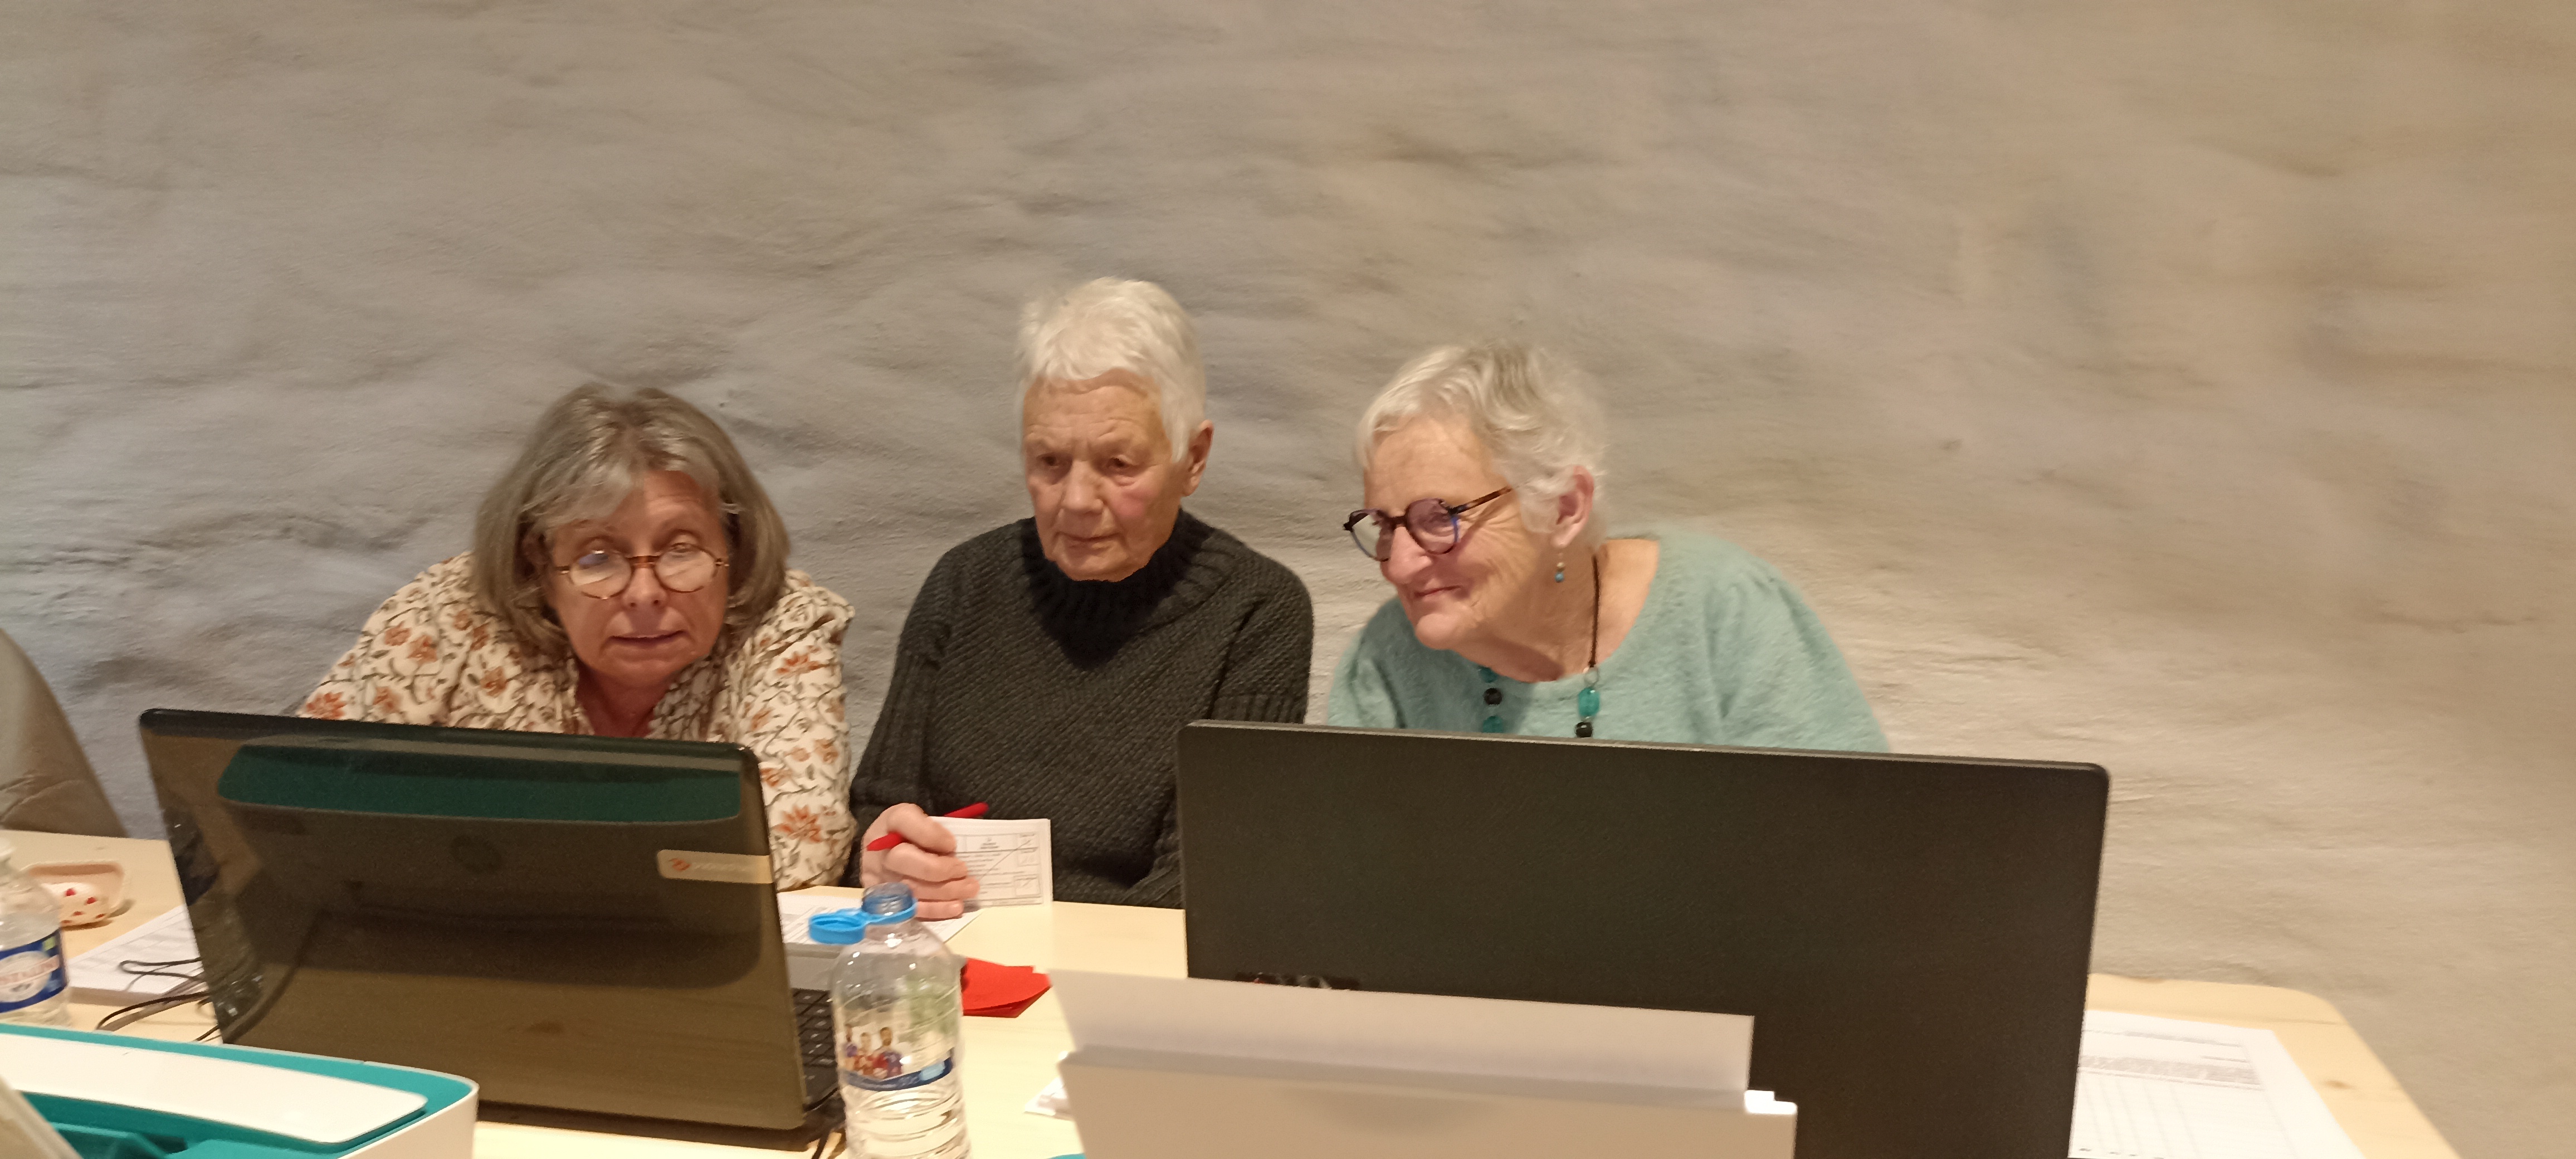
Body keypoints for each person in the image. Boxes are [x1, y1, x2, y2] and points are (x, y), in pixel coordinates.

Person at [851, 279, 1313, 915]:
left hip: (1126, 967)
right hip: (950, 949)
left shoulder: (1256, 611)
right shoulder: (964, 583)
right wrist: (882, 855)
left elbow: (1208, 874)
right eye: (1049, 462)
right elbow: (879, 807)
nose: (1075, 500)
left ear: (1194, 458)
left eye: (1118, 464)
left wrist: (1049, 958)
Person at [299, 385, 856, 888]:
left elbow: (800, 847)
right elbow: (299, 801)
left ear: (732, 548)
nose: (644, 594)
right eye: (598, 557)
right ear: (539, 564)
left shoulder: (783, 622)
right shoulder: (447, 614)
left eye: (681, 549)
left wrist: (480, 855)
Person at [1326, 343, 1886, 751]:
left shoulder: (1722, 612)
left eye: (1439, 517)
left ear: (1564, 507)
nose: (1399, 566)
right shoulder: (1389, 658)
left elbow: (1845, 839)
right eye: (1385, 524)